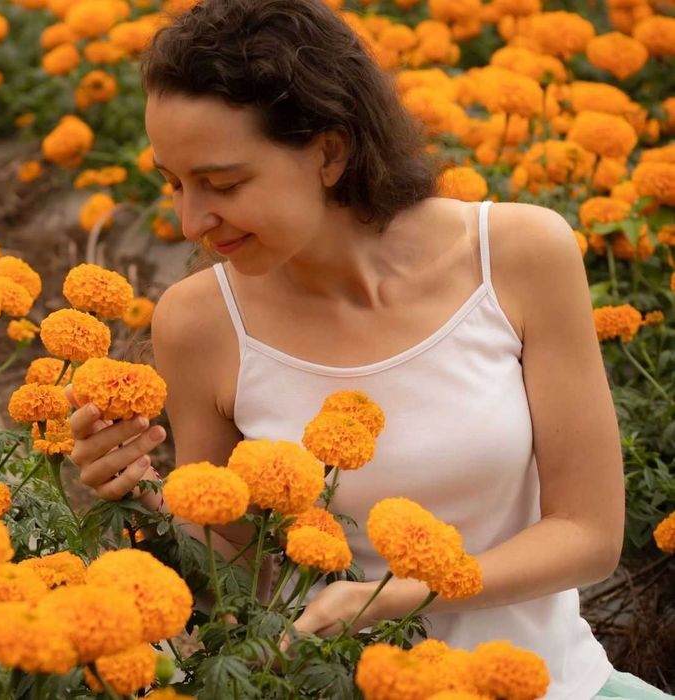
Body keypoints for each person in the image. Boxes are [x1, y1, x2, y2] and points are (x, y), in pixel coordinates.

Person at [63, 0, 672, 698]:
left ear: (328, 151)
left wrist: (397, 595)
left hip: (553, 684)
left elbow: (587, 533)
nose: (189, 221)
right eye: (172, 183)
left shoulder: (517, 256)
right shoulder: (200, 323)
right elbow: (245, 576)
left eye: (222, 184)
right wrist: (143, 496)